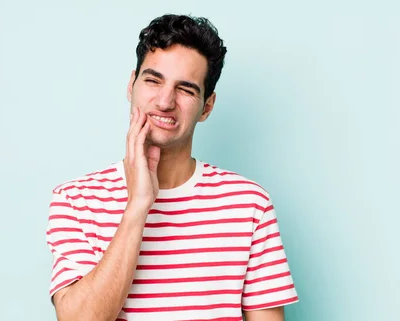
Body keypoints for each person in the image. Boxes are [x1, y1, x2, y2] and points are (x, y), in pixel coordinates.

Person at [45, 13, 299, 321]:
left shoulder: (249, 204)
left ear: (207, 106)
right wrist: (138, 206)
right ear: (131, 85)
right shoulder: (75, 200)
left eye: (186, 89)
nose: (165, 101)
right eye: (153, 80)